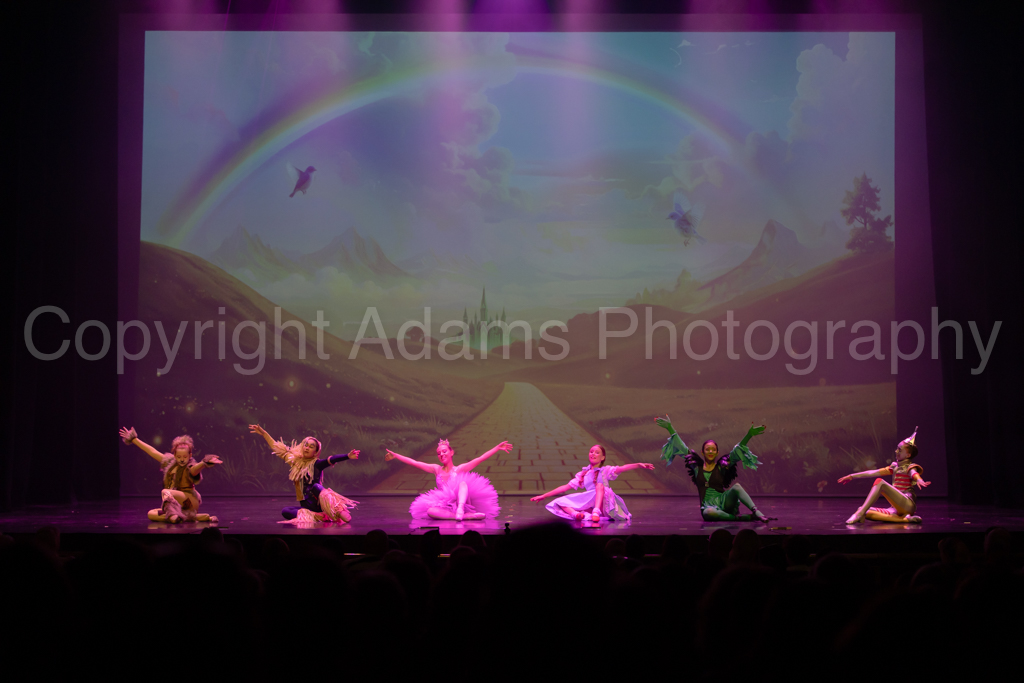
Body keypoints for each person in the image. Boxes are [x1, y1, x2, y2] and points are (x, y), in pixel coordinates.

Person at [655, 415, 772, 522]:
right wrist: (670, 428)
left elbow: (737, 450)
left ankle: (757, 512)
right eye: (707, 449)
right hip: (709, 507)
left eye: (713, 450)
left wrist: (749, 435)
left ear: (717, 453)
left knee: (737, 487)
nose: (710, 451)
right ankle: (739, 518)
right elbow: (682, 446)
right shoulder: (697, 467)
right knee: (709, 513)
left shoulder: (722, 466)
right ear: (702, 452)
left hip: (724, 502)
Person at [248, 424, 359, 523]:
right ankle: (319, 517)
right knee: (286, 511)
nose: (307, 448)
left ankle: (337, 511)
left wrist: (347, 456)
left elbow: (331, 459)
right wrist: (264, 434)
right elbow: (278, 449)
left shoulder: (317, 464)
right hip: (307, 506)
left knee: (316, 486)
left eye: (311, 447)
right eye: (306, 445)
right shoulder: (295, 462)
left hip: (318, 503)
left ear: (315, 452)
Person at [385, 438, 510, 521]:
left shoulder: (459, 469)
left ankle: (461, 510)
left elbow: (480, 459)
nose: (441, 455)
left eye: (444, 451)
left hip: (463, 503)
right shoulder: (436, 469)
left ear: (451, 452)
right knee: (430, 511)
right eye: (439, 453)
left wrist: (496, 448)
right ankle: (463, 517)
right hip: (445, 506)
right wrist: (396, 455)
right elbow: (415, 463)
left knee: (463, 483)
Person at [119, 427, 221, 523]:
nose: (182, 460)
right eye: (179, 457)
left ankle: (173, 516)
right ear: (175, 455)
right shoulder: (170, 462)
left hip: (189, 502)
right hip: (179, 504)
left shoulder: (190, 466)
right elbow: (152, 451)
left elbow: (195, 469)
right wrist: (134, 439)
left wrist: (203, 463)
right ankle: (190, 517)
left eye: (185, 457)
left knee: (165, 492)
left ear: (190, 455)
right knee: (151, 514)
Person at [530, 444, 654, 522]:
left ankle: (596, 511)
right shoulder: (583, 474)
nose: (593, 454)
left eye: (597, 452)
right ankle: (576, 514)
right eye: (591, 451)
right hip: (592, 501)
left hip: (605, 503)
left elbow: (622, 468)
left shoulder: (605, 470)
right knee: (559, 502)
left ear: (603, 457)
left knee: (599, 485)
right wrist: (544, 495)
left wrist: (638, 465)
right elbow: (565, 487)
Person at [838, 427, 929, 524]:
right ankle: (905, 519)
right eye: (897, 449)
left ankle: (859, 514)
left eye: (900, 450)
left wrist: (919, 479)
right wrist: (852, 476)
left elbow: (914, 473)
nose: (896, 451)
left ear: (908, 455)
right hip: (896, 508)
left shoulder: (910, 466)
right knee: (864, 510)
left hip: (907, 505)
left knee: (879, 482)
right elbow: (873, 472)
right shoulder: (894, 467)